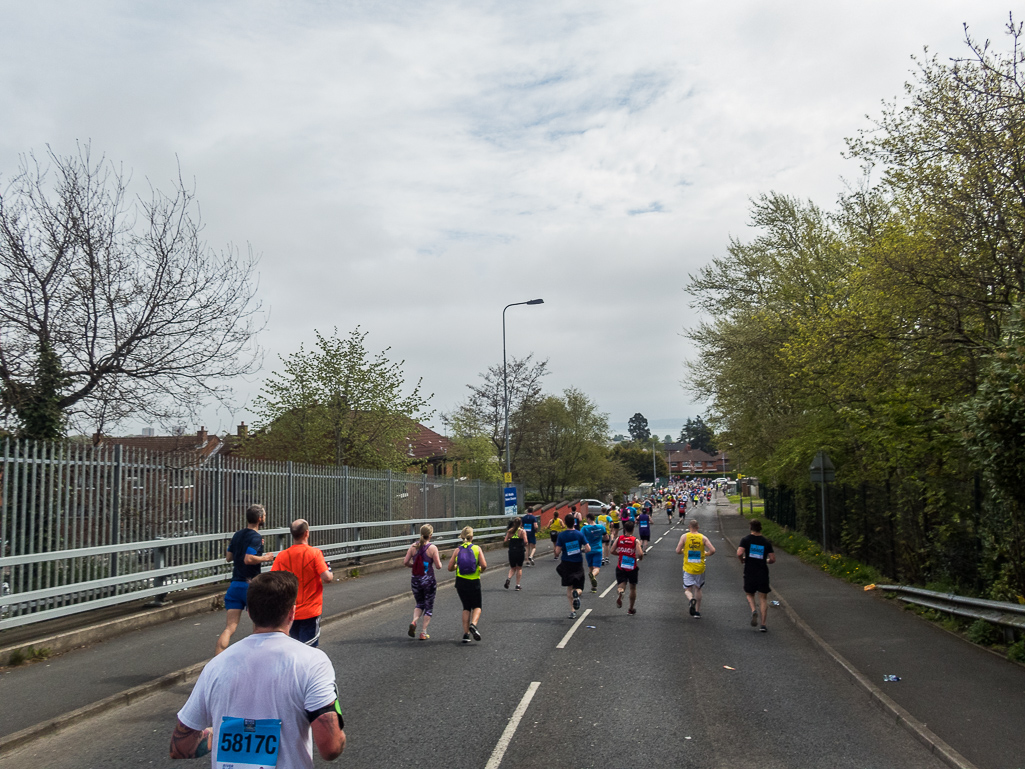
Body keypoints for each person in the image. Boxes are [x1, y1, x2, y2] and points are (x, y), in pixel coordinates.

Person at [171, 571, 346, 768]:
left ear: (250, 613)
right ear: (292, 613)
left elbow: (181, 745)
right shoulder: (312, 662)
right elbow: (330, 747)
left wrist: (224, 733)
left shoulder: (216, 665)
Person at [216, 504, 275, 654]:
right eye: (265, 516)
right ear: (260, 518)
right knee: (258, 626)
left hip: (235, 585)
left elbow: (228, 558)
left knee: (230, 628)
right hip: (250, 586)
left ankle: (217, 661)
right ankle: (256, 659)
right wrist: (265, 558)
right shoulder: (256, 537)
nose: (265, 518)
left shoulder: (237, 534)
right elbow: (248, 559)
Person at [448, 526, 487, 643]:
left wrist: (457, 566)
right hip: (474, 580)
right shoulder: (476, 548)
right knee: (477, 606)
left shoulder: (457, 550)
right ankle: (473, 625)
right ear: (472, 537)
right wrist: (479, 570)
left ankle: (466, 635)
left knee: (466, 607)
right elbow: (484, 565)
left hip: (460, 582)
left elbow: (450, 568)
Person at [403, 524, 442, 640]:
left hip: (415, 580)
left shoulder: (413, 546)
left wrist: (414, 566)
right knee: (428, 606)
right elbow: (438, 566)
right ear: (430, 535)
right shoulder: (432, 548)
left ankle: (414, 621)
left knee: (419, 603)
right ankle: (423, 632)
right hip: (428, 580)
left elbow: (405, 562)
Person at [737, 519, 775, 632]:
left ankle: (754, 610)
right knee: (763, 598)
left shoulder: (746, 540)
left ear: (750, 528)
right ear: (760, 528)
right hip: (762, 571)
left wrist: (742, 560)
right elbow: (773, 559)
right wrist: (767, 561)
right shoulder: (766, 542)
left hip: (750, 570)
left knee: (749, 593)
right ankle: (763, 624)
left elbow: (739, 553)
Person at [675, 518, 716, 618]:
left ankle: (690, 600)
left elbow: (677, 550)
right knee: (698, 588)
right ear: (698, 527)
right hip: (700, 567)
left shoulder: (684, 537)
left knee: (687, 589)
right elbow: (713, 550)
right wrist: (707, 554)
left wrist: (683, 551)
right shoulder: (703, 538)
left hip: (688, 567)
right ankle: (697, 612)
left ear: (689, 527)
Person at [555, 513, 590, 618]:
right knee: (579, 587)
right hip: (578, 563)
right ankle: (577, 594)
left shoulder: (561, 535)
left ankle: (572, 611)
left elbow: (557, 552)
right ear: (574, 523)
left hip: (566, 563)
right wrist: (581, 550)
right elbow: (588, 549)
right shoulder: (580, 534)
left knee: (569, 587)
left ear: (565, 523)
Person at [611, 520, 645, 615]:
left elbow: (612, 550)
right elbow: (640, 553)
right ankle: (630, 608)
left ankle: (620, 591)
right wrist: (640, 558)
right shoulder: (635, 540)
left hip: (621, 565)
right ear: (633, 529)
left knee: (621, 584)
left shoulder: (619, 539)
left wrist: (620, 553)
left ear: (624, 529)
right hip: (632, 566)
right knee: (633, 587)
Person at [580, 512, 606, 593]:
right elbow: (606, 536)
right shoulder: (601, 527)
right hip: (598, 549)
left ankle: (593, 587)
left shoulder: (585, 528)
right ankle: (593, 575)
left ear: (588, 519)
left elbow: (580, 537)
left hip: (588, 550)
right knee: (597, 568)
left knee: (590, 568)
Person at [504, 516, 526, 590]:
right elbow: (526, 541)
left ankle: (508, 578)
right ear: (520, 523)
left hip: (512, 551)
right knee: (519, 568)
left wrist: (511, 539)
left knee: (513, 567)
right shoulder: (522, 531)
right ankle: (517, 585)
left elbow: (505, 540)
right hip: (520, 551)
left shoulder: (510, 531)